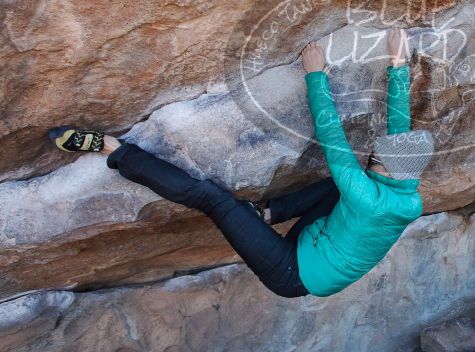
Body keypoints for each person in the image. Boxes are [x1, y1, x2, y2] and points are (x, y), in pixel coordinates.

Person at [49, 28, 434, 298]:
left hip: (294, 272)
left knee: (212, 198)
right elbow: (398, 127)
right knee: (342, 186)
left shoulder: (367, 194)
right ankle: (266, 214)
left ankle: (113, 150)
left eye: (374, 157)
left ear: (389, 168)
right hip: (322, 241)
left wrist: (315, 75)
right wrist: (398, 62)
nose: (372, 153)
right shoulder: (404, 187)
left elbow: (333, 137)